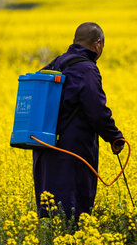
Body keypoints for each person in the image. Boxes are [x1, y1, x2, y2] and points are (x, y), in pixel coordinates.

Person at [33, 22, 124, 219]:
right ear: (98, 44)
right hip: (73, 150)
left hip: (46, 145)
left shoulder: (56, 63)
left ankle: (51, 244)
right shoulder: (86, 69)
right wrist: (114, 137)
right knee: (73, 206)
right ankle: (72, 244)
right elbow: (97, 110)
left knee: (50, 206)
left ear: (75, 41)